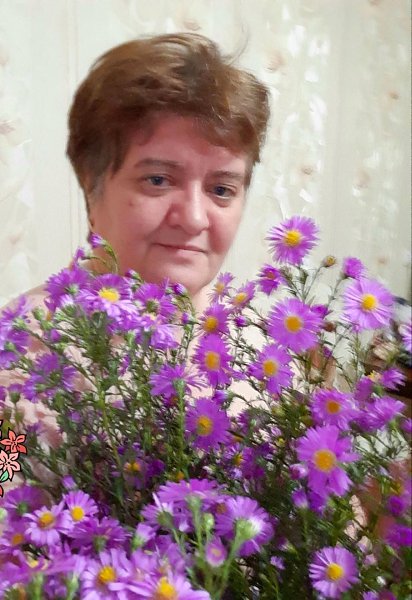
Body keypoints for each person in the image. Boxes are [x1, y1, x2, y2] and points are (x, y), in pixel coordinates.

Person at [0, 32, 270, 463]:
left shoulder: (261, 350)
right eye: (158, 180)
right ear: (92, 188)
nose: (194, 218)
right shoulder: (18, 351)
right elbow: (5, 484)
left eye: (221, 189)